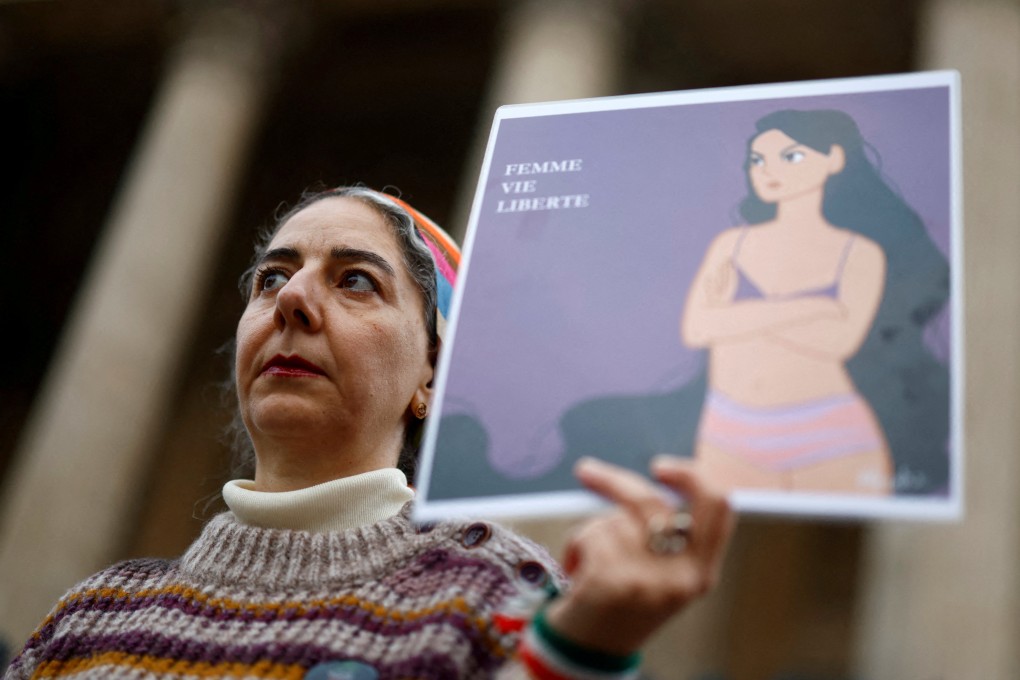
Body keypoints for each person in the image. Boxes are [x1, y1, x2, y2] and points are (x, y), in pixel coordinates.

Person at [6, 186, 734, 680]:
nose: (291, 298)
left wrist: (580, 652)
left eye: (355, 280)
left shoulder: (503, 596)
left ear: (430, 374)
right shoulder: (86, 617)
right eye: (270, 279)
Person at [681, 109, 950, 496]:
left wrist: (736, 317)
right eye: (758, 160)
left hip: (828, 432)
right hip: (728, 429)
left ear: (834, 159)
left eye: (791, 157)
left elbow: (838, 341)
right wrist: (812, 308)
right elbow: (698, 328)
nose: (768, 171)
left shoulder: (857, 253)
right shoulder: (732, 245)